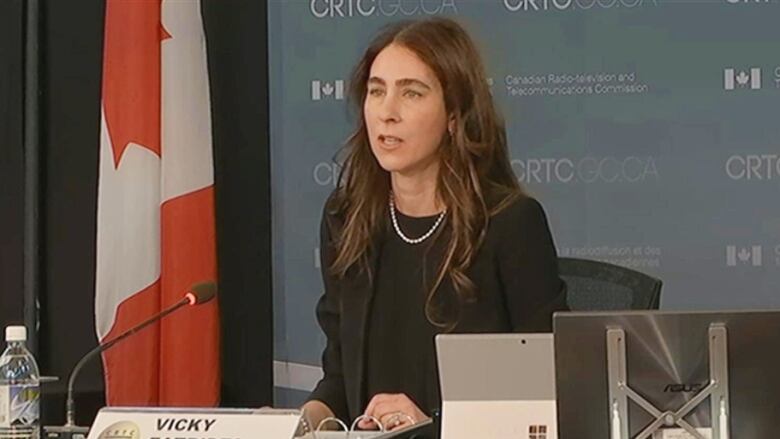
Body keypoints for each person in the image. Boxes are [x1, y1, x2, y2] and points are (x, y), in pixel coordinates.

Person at [301, 17, 568, 433]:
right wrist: (302, 419)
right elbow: (340, 377)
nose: (387, 113)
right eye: (376, 91)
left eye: (411, 93)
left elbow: (545, 394)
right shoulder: (347, 219)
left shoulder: (510, 224)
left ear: (454, 117)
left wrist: (430, 426)